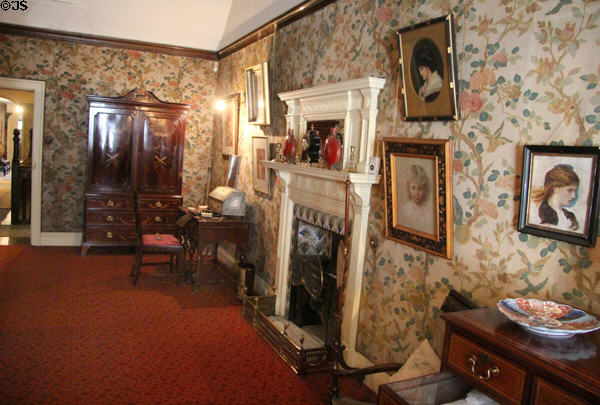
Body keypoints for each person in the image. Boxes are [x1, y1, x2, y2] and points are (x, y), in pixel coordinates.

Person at [530, 164, 580, 232]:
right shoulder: (545, 218)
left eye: (574, 191)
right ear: (555, 188)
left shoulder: (570, 216)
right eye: (569, 190)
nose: (574, 196)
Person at [398, 164, 434, 235]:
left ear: (425, 190)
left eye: (420, 189)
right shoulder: (405, 210)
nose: (416, 193)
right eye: (413, 188)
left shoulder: (427, 211)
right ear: (408, 188)